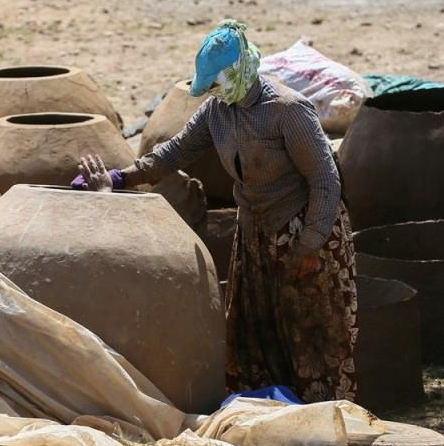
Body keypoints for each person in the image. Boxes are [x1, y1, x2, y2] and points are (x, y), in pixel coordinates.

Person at [74, 20, 358, 403]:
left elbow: (325, 180)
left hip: (306, 230)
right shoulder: (218, 112)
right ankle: (271, 411)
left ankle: (325, 416)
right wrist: (121, 177)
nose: (213, 91)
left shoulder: (288, 110)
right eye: (209, 85)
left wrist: (310, 244)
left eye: (217, 82)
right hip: (257, 230)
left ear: (240, 71)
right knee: (255, 329)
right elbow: (174, 151)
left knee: (311, 331)